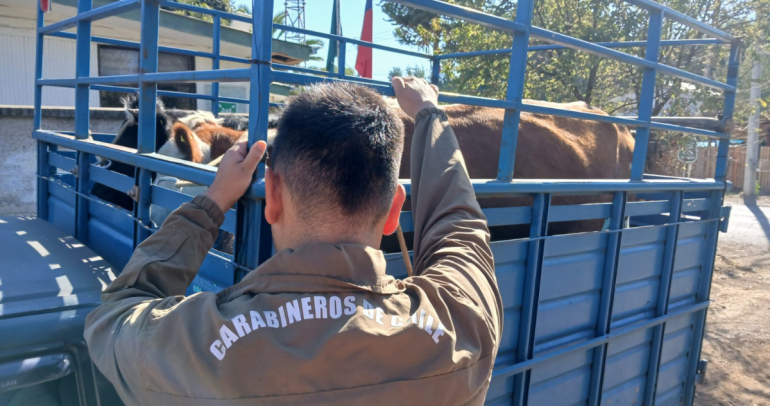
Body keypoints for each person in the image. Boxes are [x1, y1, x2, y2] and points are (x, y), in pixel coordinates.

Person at [84, 78, 502, 405]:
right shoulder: (461, 329)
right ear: (394, 210)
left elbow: (115, 313)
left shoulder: (182, 346)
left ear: (273, 197)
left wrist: (213, 201)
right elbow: (460, 230)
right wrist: (429, 114)